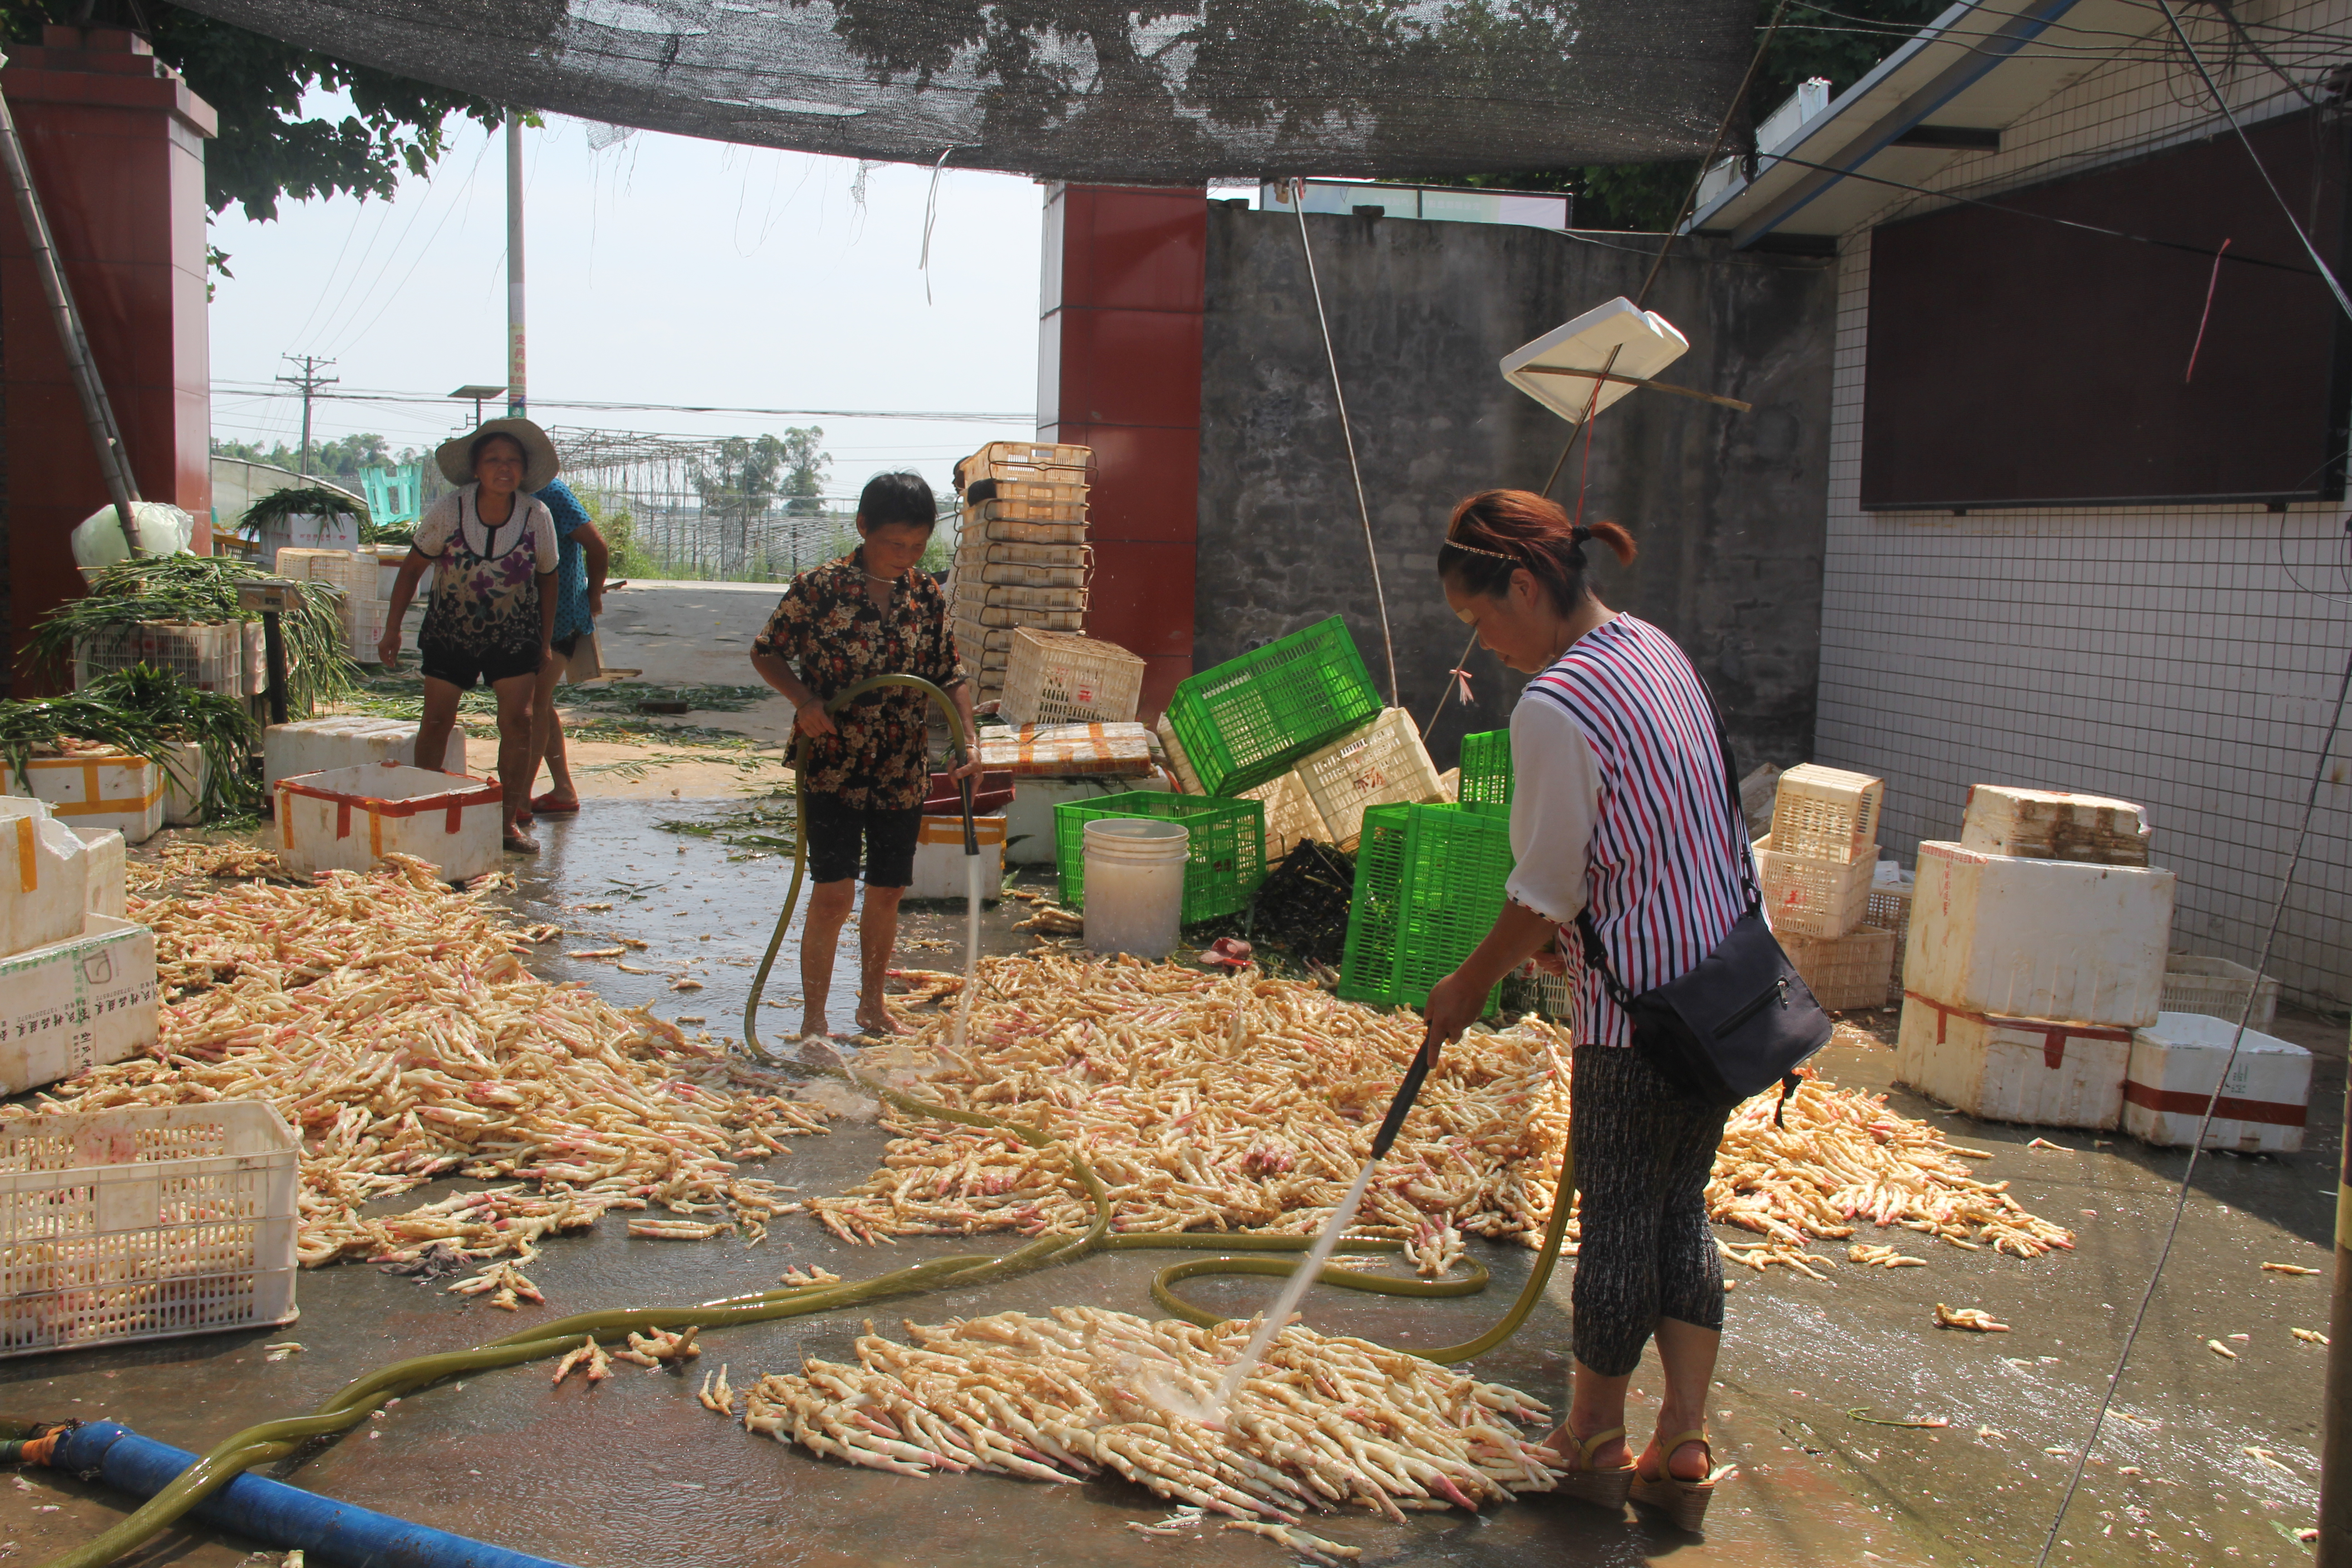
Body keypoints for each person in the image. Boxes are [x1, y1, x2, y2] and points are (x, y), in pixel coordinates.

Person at [1417, 488, 1745, 1529]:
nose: (1488, 644)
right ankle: (1682, 1436)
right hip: (1728, 982)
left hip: (1641, 1004)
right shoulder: (1651, 646)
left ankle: (1590, 1433)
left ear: (1522, 582)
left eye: (1481, 618)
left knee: (1613, 1220)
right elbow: (1662, 813)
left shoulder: (1554, 703)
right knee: (1677, 1204)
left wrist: (1467, 982)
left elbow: (1544, 887)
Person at [749, 472, 980, 1041]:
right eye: (894, 544)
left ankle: (872, 1006)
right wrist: (803, 700)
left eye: (917, 547)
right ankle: (813, 1020)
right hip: (831, 760)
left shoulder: (925, 595)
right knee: (833, 892)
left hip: (901, 764)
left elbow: (948, 675)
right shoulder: (817, 589)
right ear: (862, 528)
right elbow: (766, 653)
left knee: (888, 888)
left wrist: (969, 740)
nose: (905, 557)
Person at [379, 419, 562, 855]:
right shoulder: (450, 509)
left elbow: (549, 578)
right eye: (494, 460)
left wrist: (545, 639)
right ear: (477, 469)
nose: (504, 468)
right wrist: (391, 629)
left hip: (514, 633)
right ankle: (423, 812)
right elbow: (411, 570)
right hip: (450, 631)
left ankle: (505, 823)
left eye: (513, 461)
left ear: (523, 470)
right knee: (438, 721)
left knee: (518, 722)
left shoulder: (537, 515)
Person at [517, 476, 608, 823]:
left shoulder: (550, 493)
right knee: (540, 702)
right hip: (520, 618)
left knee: (533, 704)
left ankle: (519, 798)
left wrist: (594, 595)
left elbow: (597, 547)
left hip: (560, 616)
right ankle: (563, 790)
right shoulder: (499, 497)